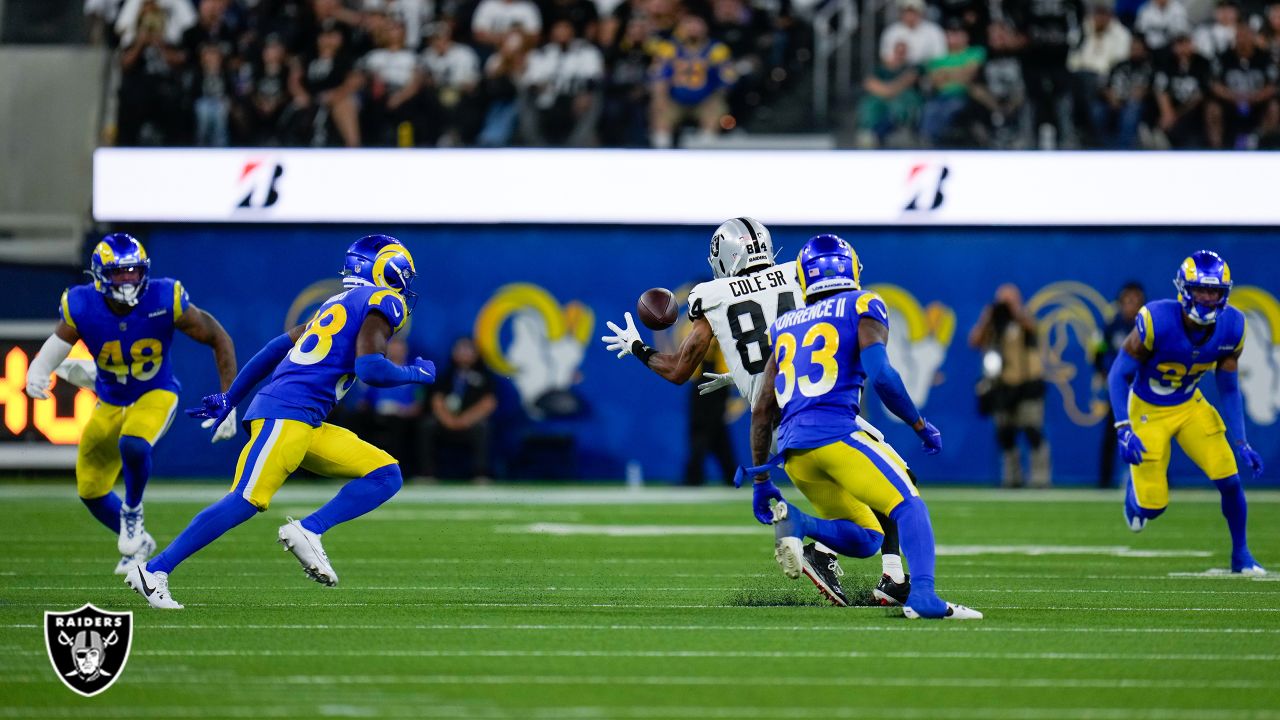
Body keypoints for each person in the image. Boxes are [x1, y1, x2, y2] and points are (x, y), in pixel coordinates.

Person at [601, 218, 911, 607]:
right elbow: (815, 339)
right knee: (900, 482)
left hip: (785, 435)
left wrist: (639, 348)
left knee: (867, 532)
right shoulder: (797, 274)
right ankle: (894, 577)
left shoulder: (711, 294)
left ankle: (830, 556)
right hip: (822, 410)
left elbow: (680, 371)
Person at [125, 236, 436, 609]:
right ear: (387, 268)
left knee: (386, 474)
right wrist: (416, 374)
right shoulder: (384, 300)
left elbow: (275, 348)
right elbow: (369, 368)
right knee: (244, 500)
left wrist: (231, 398)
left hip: (304, 421)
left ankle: (309, 530)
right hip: (288, 413)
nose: (406, 283)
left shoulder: (337, 302)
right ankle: (154, 571)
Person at [742, 234, 981, 620]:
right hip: (836, 432)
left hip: (793, 451)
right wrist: (918, 423)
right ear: (850, 268)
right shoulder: (862, 303)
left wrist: (760, 480)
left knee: (869, 536)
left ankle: (799, 522)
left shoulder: (784, 325)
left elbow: (761, 410)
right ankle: (922, 596)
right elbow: (882, 376)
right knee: (908, 504)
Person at [24, 233, 238, 574]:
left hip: (155, 392)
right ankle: (140, 543)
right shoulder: (81, 303)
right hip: (109, 398)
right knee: (91, 490)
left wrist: (230, 398)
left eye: (134, 272)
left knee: (134, 444)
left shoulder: (164, 296)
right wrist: (39, 369)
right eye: (119, 273)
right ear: (99, 275)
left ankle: (133, 510)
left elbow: (218, 337)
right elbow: (59, 340)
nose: (128, 280)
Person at [1107, 250, 1265, 575]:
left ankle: (1242, 555)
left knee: (1230, 480)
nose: (1208, 298)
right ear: (1184, 289)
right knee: (1152, 508)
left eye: (1215, 292)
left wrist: (1242, 442)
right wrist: (1124, 428)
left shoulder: (1233, 326)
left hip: (1190, 405)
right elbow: (1118, 374)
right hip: (1148, 408)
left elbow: (1230, 387)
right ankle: (1135, 495)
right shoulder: (1155, 320)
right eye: (1201, 290)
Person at [968, 284, 1050, 488]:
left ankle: (1040, 478)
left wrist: (1016, 312)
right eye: (1002, 300)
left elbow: (1035, 330)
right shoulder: (994, 324)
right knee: (1005, 434)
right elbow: (974, 341)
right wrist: (987, 318)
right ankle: (1012, 478)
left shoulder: (1025, 319)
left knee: (1033, 431)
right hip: (1003, 386)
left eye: (1009, 300)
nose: (1005, 305)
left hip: (1028, 383)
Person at [648, 14, 736, 148]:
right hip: (674, 100)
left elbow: (728, 78)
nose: (693, 30)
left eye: (697, 26)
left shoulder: (716, 49)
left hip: (705, 101)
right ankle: (661, 151)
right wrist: (660, 98)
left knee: (716, 109)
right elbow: (659, 76)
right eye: (689, 26)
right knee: (659, 111)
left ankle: (706, 149)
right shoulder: (669, 47)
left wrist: (717, 96)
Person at [421, 337, 498, 481]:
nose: (464, 353)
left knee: (483, 428)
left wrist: (464, 420)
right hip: (446, 422)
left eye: (468, 350)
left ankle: (480, 474)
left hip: (470, 423)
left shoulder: (485, 376)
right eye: (460, 349)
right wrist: (449, 421)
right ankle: (427, 474)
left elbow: (488, 403)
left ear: (476, 353)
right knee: (427, 425)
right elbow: (437, 400)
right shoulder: (446, 375)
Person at [1094, 282, 1145, 487]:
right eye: (1127, 300)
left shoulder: (1149, 325)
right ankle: (1104, 481)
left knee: (1152, 436)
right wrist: (1105, 372)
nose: (1131, 305)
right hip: (1119, 391)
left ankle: (1159, 481)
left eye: (1135, 300)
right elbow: (1098, 351)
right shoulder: (1111, 326)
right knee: (1112, 434)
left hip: (1144, 390)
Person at [683, 347, 737, 485]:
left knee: (706, 436)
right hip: (704, 383)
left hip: (717, 382)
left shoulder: (715, 334)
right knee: (717, 438)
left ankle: (693, 477)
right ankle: (732, 476)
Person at [855, 40, 923, 148]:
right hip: (882, 97)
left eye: (903, 53)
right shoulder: (879, 69)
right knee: (870, 104)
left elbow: (908, 80)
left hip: (902, 99)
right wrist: (888, 91)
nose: (899, 56)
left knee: (902, 104)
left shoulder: (911, 68)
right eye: (897, 52)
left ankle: (897, 131)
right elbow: (869, 83)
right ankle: (869, 133)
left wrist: (888, 90)